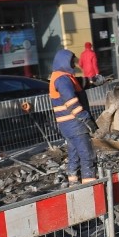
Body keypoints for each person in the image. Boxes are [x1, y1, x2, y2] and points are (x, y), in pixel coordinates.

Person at [49, 49, 97, 184]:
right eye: (71, 62)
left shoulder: (61, 77)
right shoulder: (62, 79)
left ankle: (73, 181)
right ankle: (90, 184)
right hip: (74, 124)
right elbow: (71, 101)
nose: (74, 65)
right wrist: (86, 118)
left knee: (74, 154)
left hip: (67, 126)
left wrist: (94, 81)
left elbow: (79, 84)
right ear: (64, 62)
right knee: (87, 155)